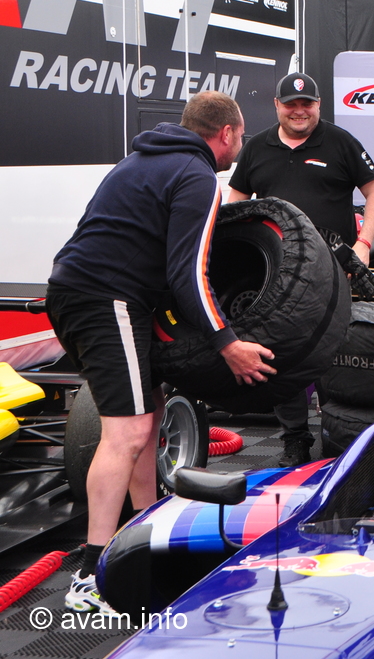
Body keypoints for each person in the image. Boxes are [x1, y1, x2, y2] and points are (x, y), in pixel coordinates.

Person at [46, 92, 276, 612]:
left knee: (146, 419)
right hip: (106, 299)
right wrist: (228, 343)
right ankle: (91, 576)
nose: (239, 146)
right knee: (127, 433)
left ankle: (146, 536)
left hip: (81, 292)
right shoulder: (197, 177)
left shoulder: (139, 161)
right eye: (240, 137)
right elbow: (188, 273)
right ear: (226, 134)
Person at [227, 71, 374, 466]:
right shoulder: (256, 148)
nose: (299, 111)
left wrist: (363, 245)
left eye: (307, 104)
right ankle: (295, 438)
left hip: (334, 272)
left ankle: (338, 434)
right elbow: (235, 204)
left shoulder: (341, 142)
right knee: (283, 356)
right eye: (291, 104)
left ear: (318, 105)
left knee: (336, 354)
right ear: (277, 106)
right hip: (277, 278)